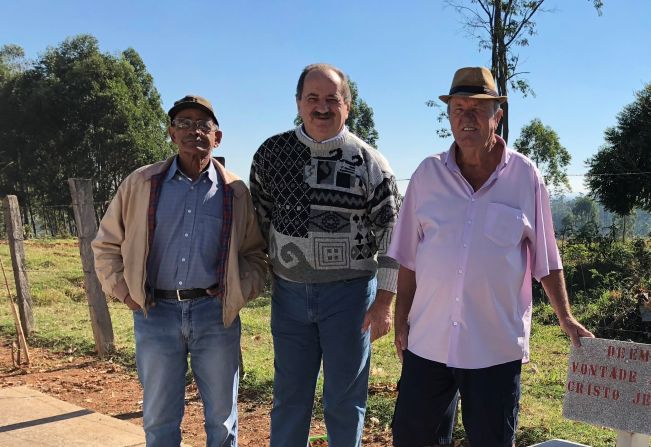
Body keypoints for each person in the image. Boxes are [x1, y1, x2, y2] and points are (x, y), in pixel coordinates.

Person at [388, 67, 594, 447]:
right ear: (449, 116)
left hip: (493, 347)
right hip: (428, 342)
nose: (466, 118)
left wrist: (565, 317)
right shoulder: (426, 175)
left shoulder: (525, 176)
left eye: (478, 109)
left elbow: (546, 257)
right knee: (414, 438)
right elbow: (407, 257)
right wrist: (401, 321)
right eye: (458, 108)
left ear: (497, 116)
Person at [92, 95, 267, 447]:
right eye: (184, 123)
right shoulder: (140, 184)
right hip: (155, 314)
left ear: (217, 138)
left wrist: (238, 289)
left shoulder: (235, 192)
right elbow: (106, 245)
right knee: (159, 418)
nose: (194, 131)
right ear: (172, 133)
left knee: (222, 420)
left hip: (214, 316)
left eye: (204, 125)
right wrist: (126, 292)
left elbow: (256, 255)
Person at [249, 63, 400, 447]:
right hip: (289, 296)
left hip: (349, 298)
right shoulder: (271, 154)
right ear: (298, 103)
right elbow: (258, 219)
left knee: (345, 400)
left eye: (332, 99)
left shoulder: (371, 164)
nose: (322, 107)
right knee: (289, 396)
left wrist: (384, 302)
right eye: (312, 98)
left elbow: (392, 237)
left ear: (347, 106)